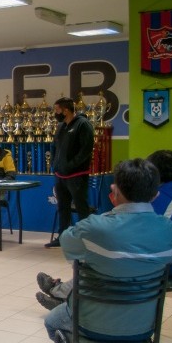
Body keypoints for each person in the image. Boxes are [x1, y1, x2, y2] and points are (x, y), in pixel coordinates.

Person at [41, 159, 172, 343]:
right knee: (109, 328)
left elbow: (69, 247)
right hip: (143, 328)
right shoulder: (168, 229)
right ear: (156, 194)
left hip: (92, 326)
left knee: (52, 321)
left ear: (115, 191)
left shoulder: (95, 227)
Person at [37, 149, 172, 309]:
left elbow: (132, 226)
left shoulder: (164, 197)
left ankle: (67, 299)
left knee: (99, 256)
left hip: (155, 267)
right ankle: (65, 295)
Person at [45, 97, 95, 248]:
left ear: (65, 110)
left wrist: (71, 165)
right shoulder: (61, 126)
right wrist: (55, 163)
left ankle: (84, 239)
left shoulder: (83, 124)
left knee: (81, 208)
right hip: (60, 175)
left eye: (57, 110)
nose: (55, 113)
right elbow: (55, 146)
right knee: (62, 207)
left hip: (77, 175)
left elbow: (86, 150)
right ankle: (62, 238)